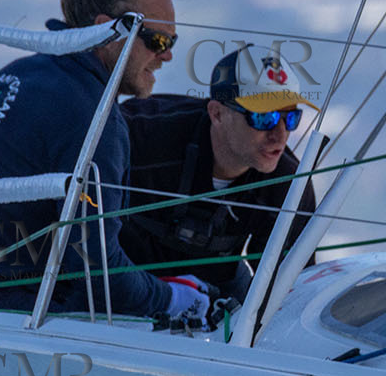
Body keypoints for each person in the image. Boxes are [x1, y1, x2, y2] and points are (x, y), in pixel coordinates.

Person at [0, 0, 214, 324]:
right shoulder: (91, 115)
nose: (168, 54)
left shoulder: (27, 73)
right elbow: (95, 268)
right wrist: (174, 299)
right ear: (107, 31)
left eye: (172, 42)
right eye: (157, 40)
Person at [119, 46, 320, 301]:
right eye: (263, 118)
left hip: (216, 289)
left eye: (290, 118)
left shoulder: (289, 184)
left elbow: (292, 294)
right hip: (119, 278)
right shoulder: (140, 136)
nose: (279, 135)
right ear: (217, 113)